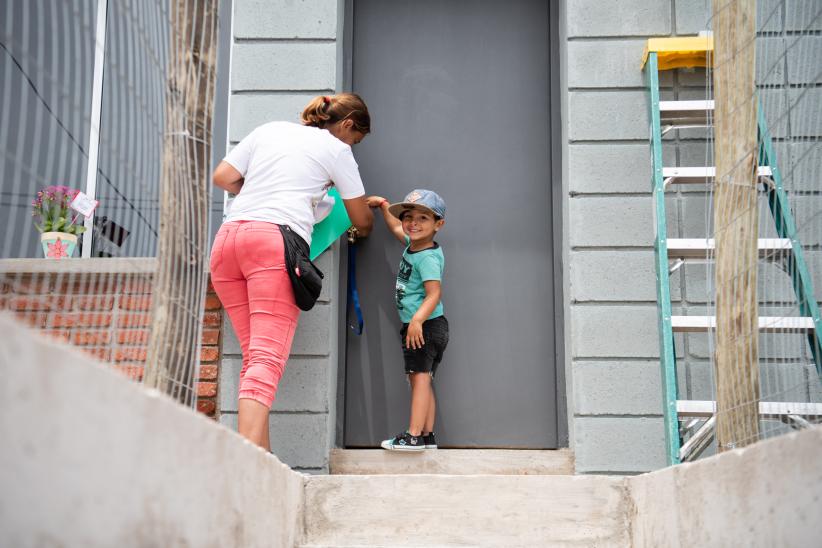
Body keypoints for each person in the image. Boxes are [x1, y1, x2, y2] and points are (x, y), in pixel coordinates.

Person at [210, 94, 374, 450]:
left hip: (227, 243)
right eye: (355, 139)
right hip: (272, 244)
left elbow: (223, 177)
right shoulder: (336, 150)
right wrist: (364, 219)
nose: (352, 146)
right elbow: (361, 219)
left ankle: (262, 458)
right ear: (347, 126)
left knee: (256, 356)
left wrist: (260, 192)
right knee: (266, 359)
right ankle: (246, 464)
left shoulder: (270, 130)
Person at [366, 189, 449, 451]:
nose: (413, 223)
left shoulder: (426, 257)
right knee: (422, 379)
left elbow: (434, 293)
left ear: (438, 224)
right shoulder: (415, 246)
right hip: (427, 326)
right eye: (409, 217)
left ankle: (412, 436)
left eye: (423, 218)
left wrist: (416, 321)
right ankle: (427, 436)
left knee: (420, 378)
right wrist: (383, 206)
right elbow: (394, 227)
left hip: (424, 326)